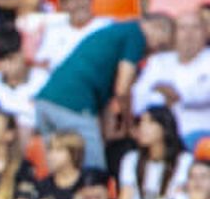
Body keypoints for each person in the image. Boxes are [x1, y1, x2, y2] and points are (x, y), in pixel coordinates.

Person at [36, 13, 173, 170]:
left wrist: (108, 131)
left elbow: (108, 94)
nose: (153, 52)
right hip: (74, 104)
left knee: (60, 169)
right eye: (161, 45)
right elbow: (123, 89)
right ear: (157, 29)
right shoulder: (136, 35)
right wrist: (129, 125)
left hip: (45, 101)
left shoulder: (115, 34)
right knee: (94, 171)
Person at [132, 7, 210, 145]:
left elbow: (203, 94)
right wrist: (168, 96)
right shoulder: (158, 61)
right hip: (161, 137)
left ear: (206, 33)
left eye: (195, 28)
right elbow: (138, 100)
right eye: (183, 28)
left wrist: (167, 91)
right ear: (174, 34)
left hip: (200, 135)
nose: (189, 34)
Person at [117, 106, 191, 199]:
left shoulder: (184, 160)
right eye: (141, 122)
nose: (142, 128)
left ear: (164, 127)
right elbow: (126, 198)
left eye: (150, 122)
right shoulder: (130, 159)